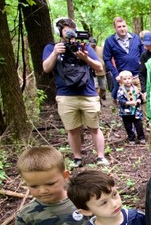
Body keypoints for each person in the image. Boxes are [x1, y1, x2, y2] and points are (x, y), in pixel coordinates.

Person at [42, 17, 109, 168]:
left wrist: (85, 58)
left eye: (71, 28)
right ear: (59, 31)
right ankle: (77, 158)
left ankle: (100, 157)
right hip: (66, 95)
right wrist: (55, 53)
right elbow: (46, 68)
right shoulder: (51, 47)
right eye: (66, 29)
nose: (69, 32)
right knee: (72, 130)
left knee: (94, 127)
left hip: (88, 93)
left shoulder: (83, 46)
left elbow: (99, 67)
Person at [103, 17, 143, 100]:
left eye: (124, 26)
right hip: (122, 77)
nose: (122, 29)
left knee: (140, 100)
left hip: (137, 76)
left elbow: (143, 54)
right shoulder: (110, 41)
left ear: (127, 26)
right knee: (125, 102)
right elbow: (107, 59)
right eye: (119, 27)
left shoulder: (135, 38)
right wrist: (115, 74)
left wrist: (142, 68)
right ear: (115, 28)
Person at [117, 70, 146, 144]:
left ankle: (141, 137)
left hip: (136, 111)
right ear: (121, 80)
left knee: (139, 124)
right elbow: (120, 101)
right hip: (126, 112)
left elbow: (139, 96)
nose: (127, 81)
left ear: (132, 79)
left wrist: (139, 100)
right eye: (125, 79)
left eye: (129, 79)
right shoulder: (121, 90)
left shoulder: (135, 88)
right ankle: (131, 138)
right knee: (128, 126)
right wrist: (129, 103)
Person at [138, 31, 151, 97]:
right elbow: (142, 73)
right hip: (150, 86)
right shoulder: (144, 55)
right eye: (145, 45)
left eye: (148, 45)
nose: (146, 47)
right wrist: (144, 90)